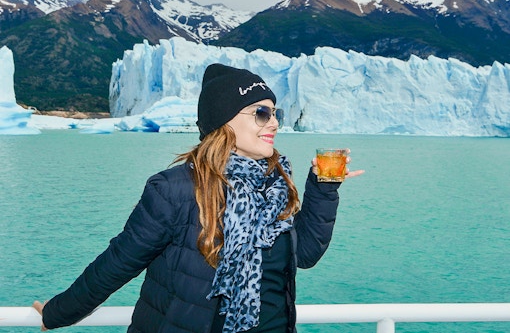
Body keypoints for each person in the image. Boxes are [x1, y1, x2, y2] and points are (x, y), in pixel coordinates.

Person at [33, 63, 364, 333]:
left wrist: (323, 189)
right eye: (261, 113)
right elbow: (117, 264)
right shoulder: (174, 190)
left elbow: (303, 254)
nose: (274, 122)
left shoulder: (274, 186)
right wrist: (56, 313)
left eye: (276, 113)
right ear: (224, 122)